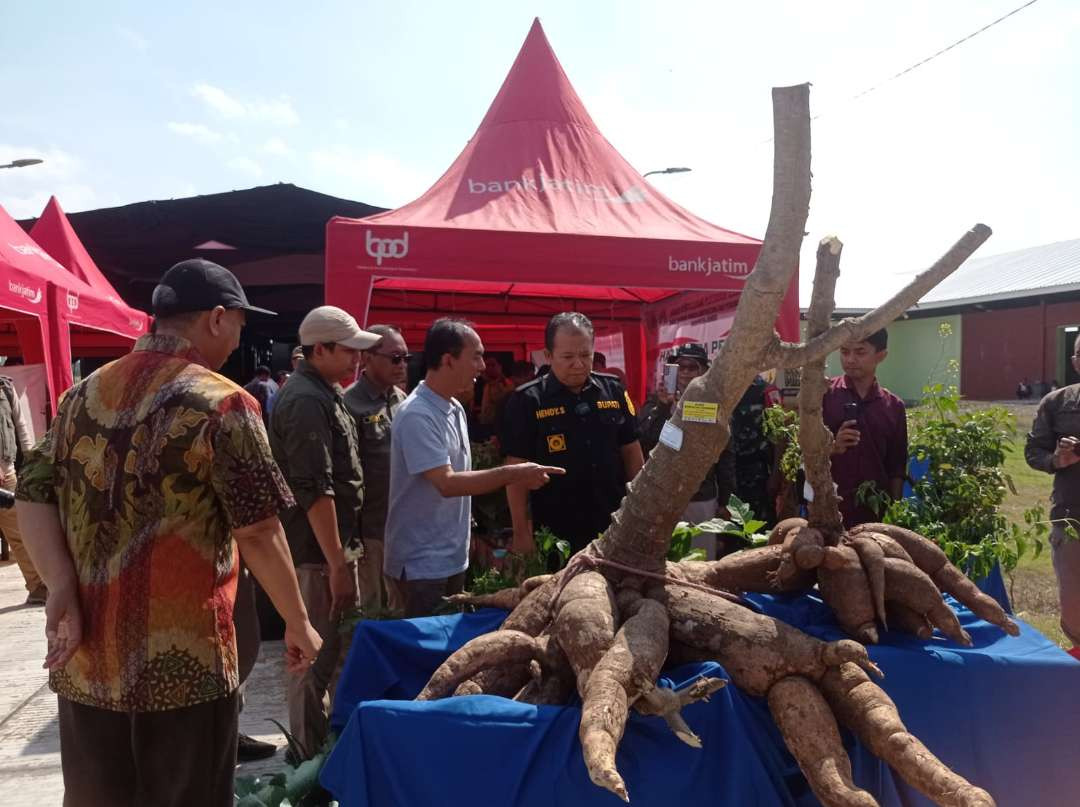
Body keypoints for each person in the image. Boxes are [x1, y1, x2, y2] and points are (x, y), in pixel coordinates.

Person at [14, 258, 321, 807]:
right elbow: (258, 529)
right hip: (185, 665)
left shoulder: (81, 396)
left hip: (89, 661)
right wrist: (297, 623)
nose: (238, 336)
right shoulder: (222, 402)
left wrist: (59, 582)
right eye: (240, 323)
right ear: (218, 318)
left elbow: (33, 492)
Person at [384, 319, 562, 617]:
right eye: (476, 356)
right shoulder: (417, 414)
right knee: (423, 654)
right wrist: (513, 474)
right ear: (447, 360)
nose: (482, 366)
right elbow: (447, 483)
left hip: (450, 557)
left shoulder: (453, 408)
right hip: (421, 564)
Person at [269, 305, 379, 755]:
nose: (357, 358)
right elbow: (315, 490)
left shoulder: (324, 391)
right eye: (349, 349)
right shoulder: (306, 400)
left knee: (330, 653)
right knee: (309, 658)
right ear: (320, 349)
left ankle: (322, 753)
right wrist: (337, 563)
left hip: (330, 550)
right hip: (314, 554)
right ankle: (304, 758)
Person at [501, 312, 645, 555]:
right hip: (555, 532)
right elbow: (515, 471)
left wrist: (641, 511)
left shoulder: (613, 390)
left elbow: (632, 452)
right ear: (548, 356)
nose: (578, 364)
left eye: (585, 355)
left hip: (612, 524)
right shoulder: (527, 401)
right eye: (568, 356)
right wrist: (521, 532)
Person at [344, 325, 409, 612]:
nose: (402, 365)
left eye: (406, 357)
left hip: (403, 522)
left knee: (402, 605)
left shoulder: (403, 401)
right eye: (395, 358)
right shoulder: (350, 404)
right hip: (371, 527)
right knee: (374, 607)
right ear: (368, 358)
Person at [638, 344, 733, 527]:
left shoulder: (716, 404)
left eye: (693, 367)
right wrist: (663, 407)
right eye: (680, 367)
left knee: (701, 553)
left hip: (701, 498)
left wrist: (725, 501)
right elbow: (645, 440)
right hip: (662, 496)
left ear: (705, 371)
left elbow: (726, 454)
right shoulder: (656, 402)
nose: (685, 373)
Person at [1025, 343, 1080, 653]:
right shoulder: (1058, 403)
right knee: (1075, 604)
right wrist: (1057, 460)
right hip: (1072, 518)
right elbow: (1033, 452)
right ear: (1075, 361)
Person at [823, 328, 908, 527]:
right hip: (829, 509)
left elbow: (897, 466)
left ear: (881, 356)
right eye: (844, 352)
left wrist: (894, 514)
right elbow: (803, 452)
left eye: (860, 352)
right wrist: (832, 447)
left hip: (876, 512)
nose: (850, 359)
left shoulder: (893, 406)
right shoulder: (824, 395)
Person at [0, 374, 40, 603]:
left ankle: (38, 587)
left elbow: (21, 429)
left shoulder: (5, 388)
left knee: (21, 535)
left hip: (8, 475)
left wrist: (33, 463)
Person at [731, 375, 783, 525]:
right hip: (727, 475)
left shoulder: (767, 391)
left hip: (758, 475)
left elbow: (778, 437)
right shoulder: (725, 388)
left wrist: (775, 476)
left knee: (759, 529)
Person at [478, 355, 514, 430]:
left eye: (493, 365)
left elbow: (500, 399)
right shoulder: (485, 383)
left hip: (498, 424)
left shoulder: (505, 383)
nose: (490, 368)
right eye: (487, 365)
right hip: (485, 423)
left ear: (500, 367)